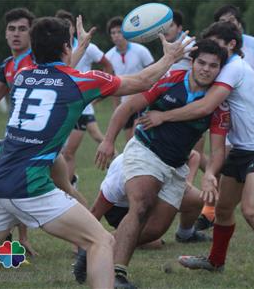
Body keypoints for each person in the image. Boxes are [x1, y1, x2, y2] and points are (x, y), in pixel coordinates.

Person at [0, 16, 193, 289]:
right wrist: (170, 56)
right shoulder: (81, 82)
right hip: (31, 187)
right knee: (101, 241)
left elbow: (56, 75)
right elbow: (143, 80)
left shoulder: (22, 77)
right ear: (65, 47)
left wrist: (80, 47)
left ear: (33, 48)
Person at [138, 21, 254, 284]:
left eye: (215, 43)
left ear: (231, 45)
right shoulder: (224, 67)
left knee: (251, 211)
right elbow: (211, 110)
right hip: (241, 150)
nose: (211, 51)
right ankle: (215, 261)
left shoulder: (232, 68)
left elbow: (205, 107)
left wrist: (163, 116)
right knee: (222, 210)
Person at [95, 39, 229, 289]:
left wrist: (210, 172)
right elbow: (128, 108)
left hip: (176, 166)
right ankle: (117, 275)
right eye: (201, 62)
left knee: (155, 230)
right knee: (142, 204)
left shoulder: (218, 102)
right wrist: (108, 140)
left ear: (220, 69)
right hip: (145, 150)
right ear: (192, 62)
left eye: (213, 65)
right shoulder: (171, 79)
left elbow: (218, 148)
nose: (206, 69)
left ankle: (98, 248)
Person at [195, 4, 254, 230]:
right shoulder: (219, 58)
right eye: (222, 21)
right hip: (230, 113)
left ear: (238, 27)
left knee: (241, 163)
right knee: (225, 159)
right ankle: (216, 210)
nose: (228, 25)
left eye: (231, 21)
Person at [72, 152, 209, 284]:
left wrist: (188, 181)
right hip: (120, 208)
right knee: (153, 239)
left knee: (196, 200)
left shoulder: (164, 152)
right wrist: (81, 243)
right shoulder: (119, 178)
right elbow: (96, 211)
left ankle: (186, 234)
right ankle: (98, 246)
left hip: (151, 196)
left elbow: (194, 155)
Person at [0, 138, 88, 257]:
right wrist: (22, 238)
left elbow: (16, 200)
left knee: (0, 205)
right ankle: (88, 233)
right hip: (46, 152)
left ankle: (87, 237)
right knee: (68, 190)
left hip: (35, 155)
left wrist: (21, 238)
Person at [0, 8, 92, 113]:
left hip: (45, 131)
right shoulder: (7, 65)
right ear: (6, 33)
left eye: (22, 29)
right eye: (11, 29)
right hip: (18, 131)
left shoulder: (41, 58)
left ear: (31, 33)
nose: (16, 34)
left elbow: (65, 68)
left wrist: (82, 45)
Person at [55, 10, 115, 188]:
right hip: (63, 105)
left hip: (82, 103)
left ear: (73, 27)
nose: (65, 29)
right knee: (94, 136)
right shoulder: (54, 49)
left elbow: (107, 65)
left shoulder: (88, 46)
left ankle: (69, 185)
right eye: (61, 26)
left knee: (69, 152)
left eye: (68, 25)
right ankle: (119, 161)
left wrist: (101, 92)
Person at [105, 16, 155, 143]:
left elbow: (154, 75)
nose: (116, 35)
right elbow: (112, 86)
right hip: (124, 104)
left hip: (142, 100)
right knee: (129, 142)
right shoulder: (109, 57)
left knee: (136, 137)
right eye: (113, 33)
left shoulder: (141, 51)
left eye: (119, 32)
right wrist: (116, 108)